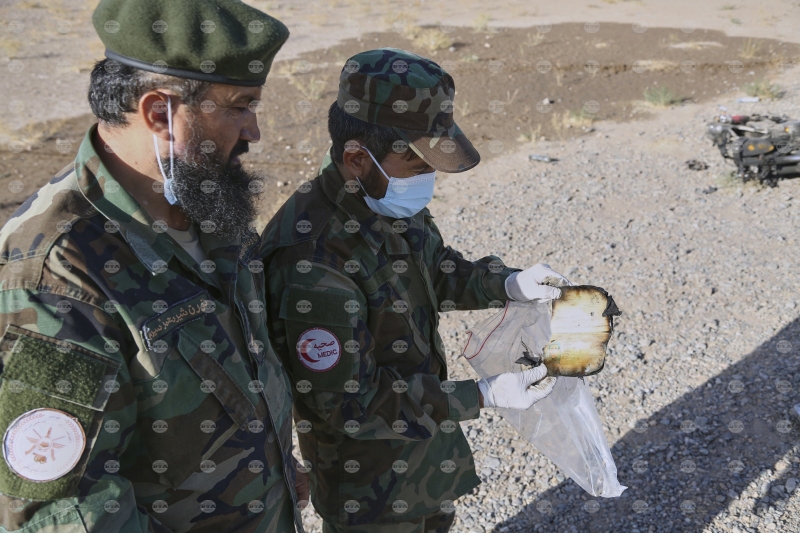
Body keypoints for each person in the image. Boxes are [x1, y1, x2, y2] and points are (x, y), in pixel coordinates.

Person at [0, 1, 306, 531]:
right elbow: (62, 513)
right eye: (239, 107)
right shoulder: (58, 272)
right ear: (159, 113)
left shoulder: (205, 199)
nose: (253, 131)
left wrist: (272, 472)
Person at [260, 48, 569, 532]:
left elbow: (434, 268)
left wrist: (508, 283)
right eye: (419, 167)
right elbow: (350, 403)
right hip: (371, 490)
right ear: (357, 158)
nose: (428, 181)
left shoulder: (378, 193)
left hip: (423, 459)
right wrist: (481, 395)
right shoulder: (312, 262)